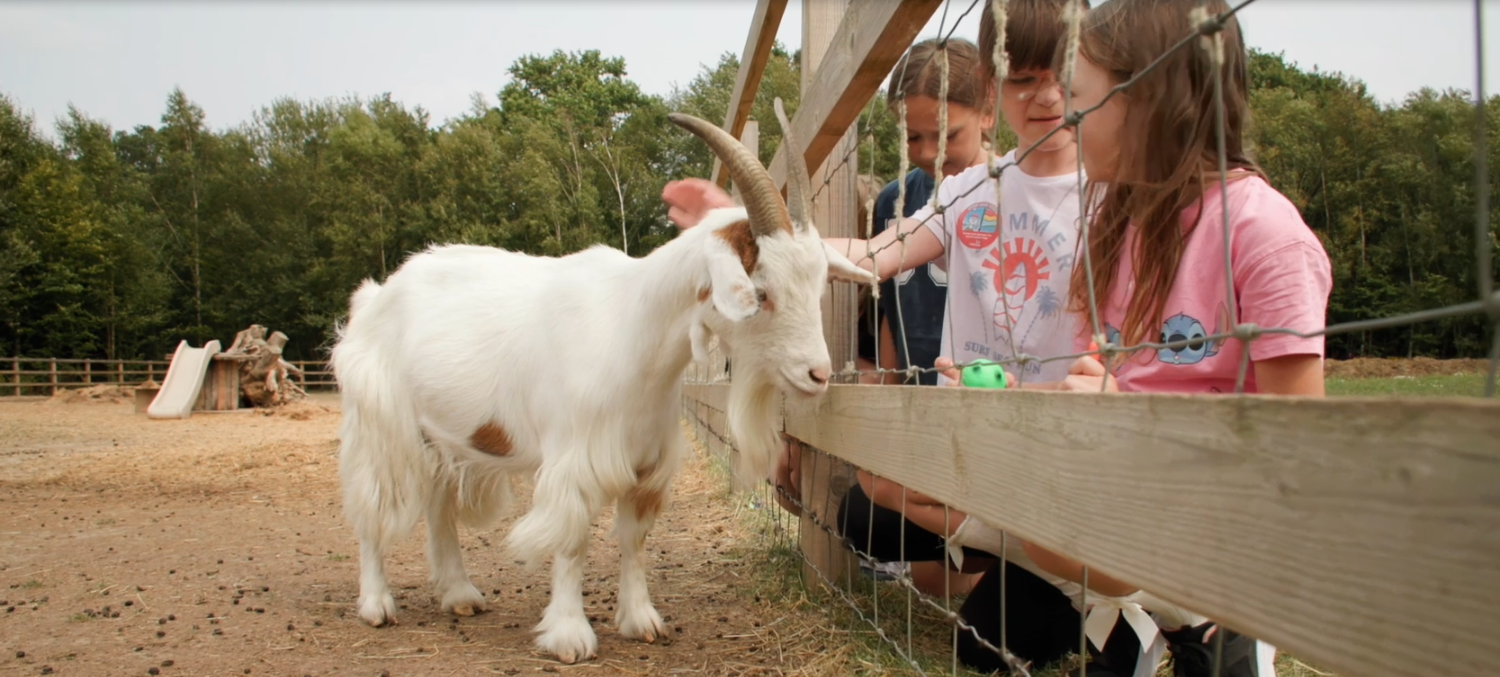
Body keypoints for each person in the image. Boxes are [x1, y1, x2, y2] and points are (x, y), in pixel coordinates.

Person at [663, 1, 1113, 672]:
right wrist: (749, 221)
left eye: (1062, 75)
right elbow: (876, 254)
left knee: (1022, 628)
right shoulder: (968, 193)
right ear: (994, 90)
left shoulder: (1113, 193)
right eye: (1022, 80)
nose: (1045, 96)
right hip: (985, 448)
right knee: (891, 503)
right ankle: (1049, 577)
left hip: (1075, 453)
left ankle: (1126, 605)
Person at [933, 1, 1333, 675]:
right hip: (1121, 483)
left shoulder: (1266, 235)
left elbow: (1301, 447)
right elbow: (1101, 375)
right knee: (1000, 490)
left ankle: (1223, 616)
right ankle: (1152, 621)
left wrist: (1132, 420)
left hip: (1216, 506)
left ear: (1149, 100)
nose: (1068, 114)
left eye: (1084, 98)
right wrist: (1022, 401)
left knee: (1047, 524)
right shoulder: (1118, 229)